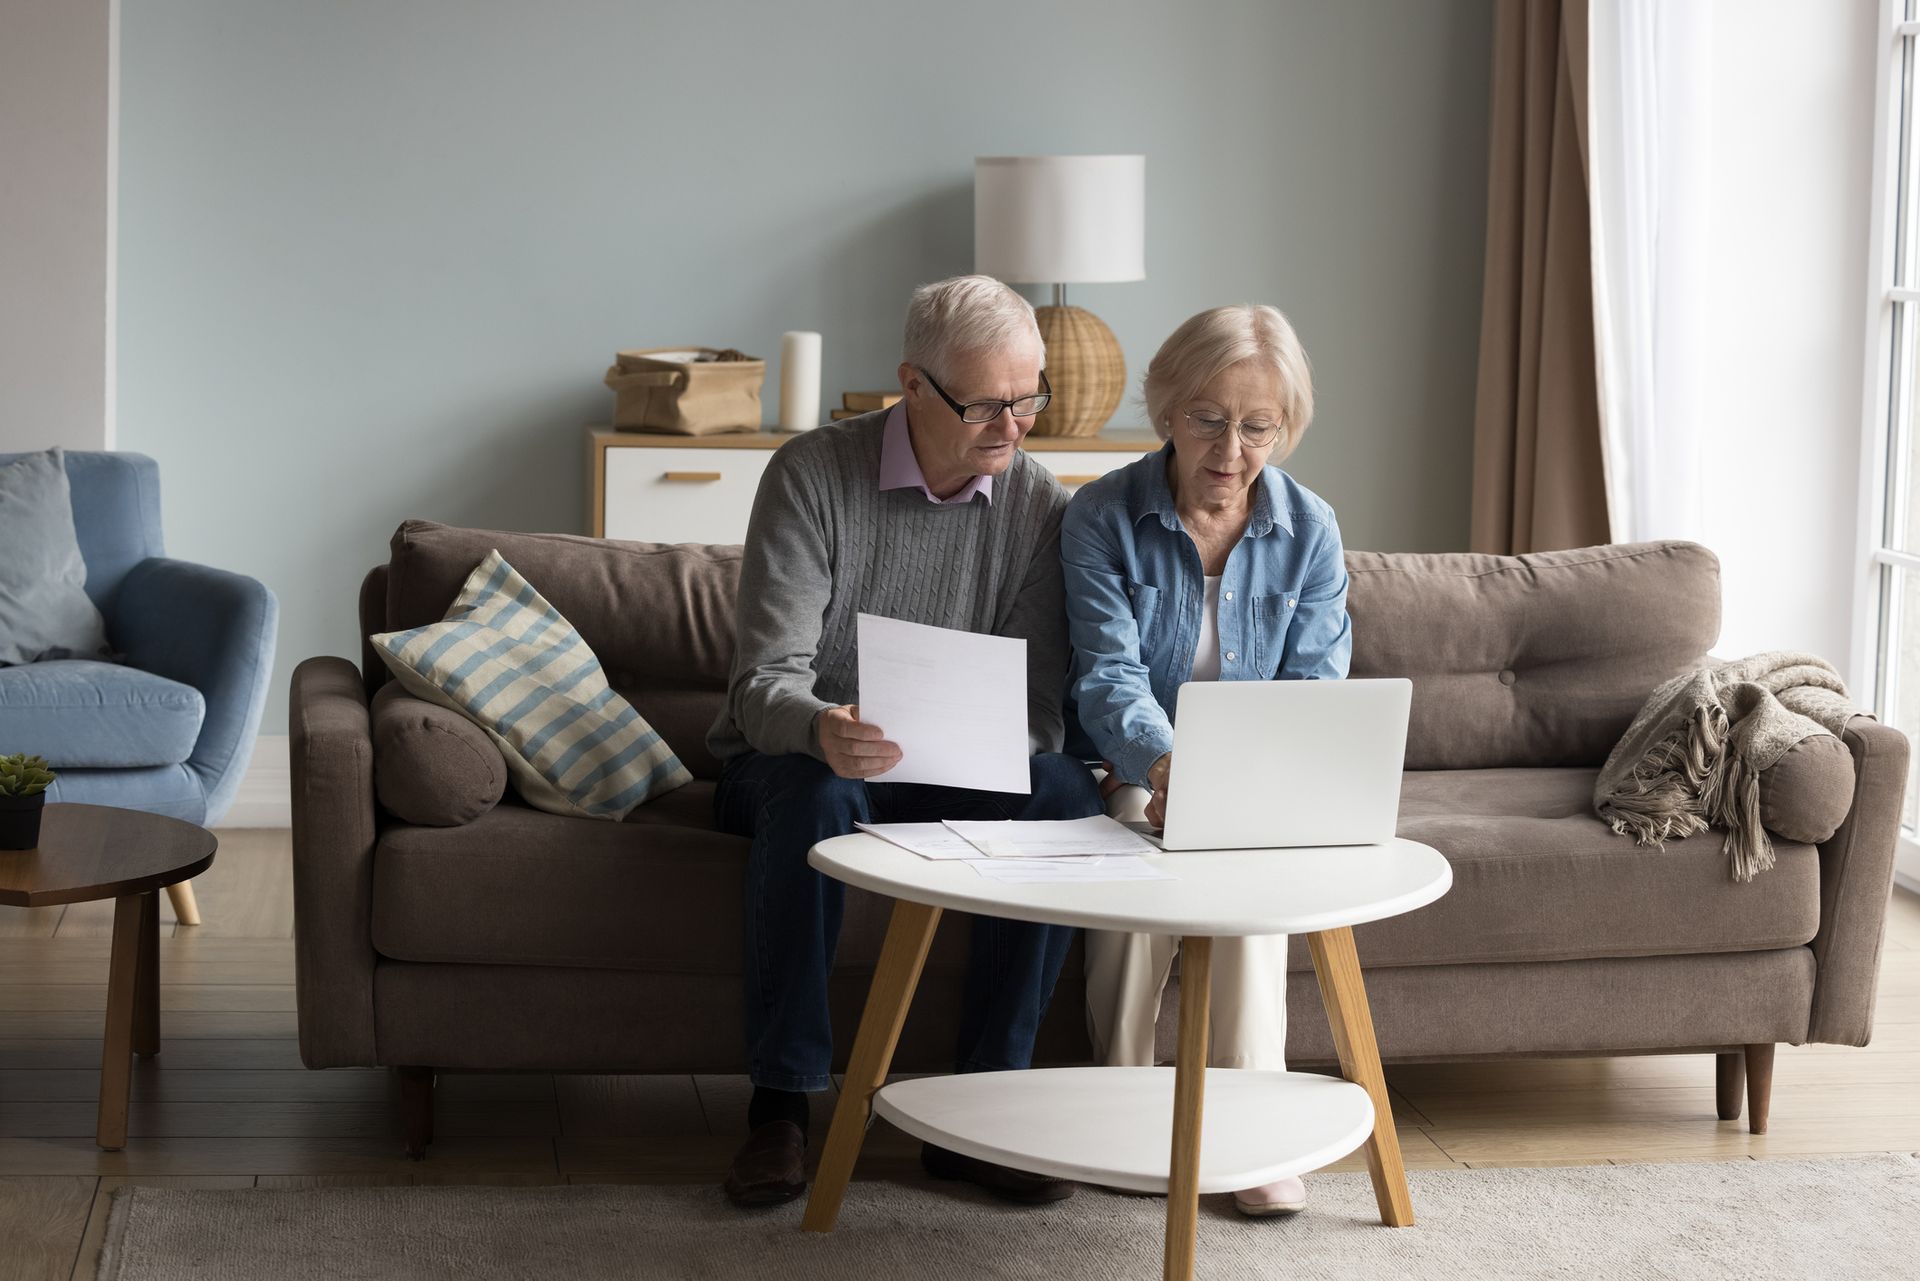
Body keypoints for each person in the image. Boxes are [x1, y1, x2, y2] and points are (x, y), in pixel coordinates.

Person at [710, 274, 1103, 1209]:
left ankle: (980, 1107)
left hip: (955, 773)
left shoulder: (1039, 508)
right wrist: (821, 727)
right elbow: (763, 679)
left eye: (1028, 398)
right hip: (798, 761)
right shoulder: (811, 476)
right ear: (913, 387)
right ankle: (783, 1108)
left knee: (1065, 795)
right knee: (817, 795)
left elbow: (1039, 704)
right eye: (986, 406)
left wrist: (978, 741)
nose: (1013, 426)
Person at [1060, 304, 1352, 1218]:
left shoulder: (1311, 530)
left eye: (1257, 424)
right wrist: (1168, 766)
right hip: (1134, 773)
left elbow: (1316, 682)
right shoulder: (1102, 514)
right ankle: (1122, 1111)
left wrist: (1242, 788)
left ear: (1285, 426)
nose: (1231, 448)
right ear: (1168, 412)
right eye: (1208, 418)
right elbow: (1106, 677)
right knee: (1128, 865)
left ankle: (1251, 1133)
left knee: (1252, 895)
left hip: (1256, 788)